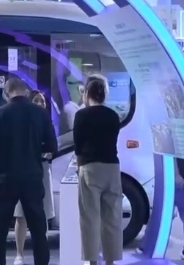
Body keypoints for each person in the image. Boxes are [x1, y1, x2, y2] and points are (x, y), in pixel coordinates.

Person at [0, 77, 57, 265]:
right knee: (38, 229)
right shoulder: (40, 113)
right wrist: (36, 147)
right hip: (32, 177)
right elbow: (52, 145)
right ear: (25, 92)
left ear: (6, 93)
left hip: (5, 178)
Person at [73, 75, 123, 265]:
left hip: (90, 168)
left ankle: (93, 261)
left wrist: (79, 168)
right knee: (112, 218)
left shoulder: (81, 115)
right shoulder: (113, 116)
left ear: (87, 94)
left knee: (90, 218)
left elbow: (78, 146)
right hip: (112, 168)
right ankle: (111, 261)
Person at [11, 91, 56, 265]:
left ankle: (42, 252)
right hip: (24, 170)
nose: (40, 104)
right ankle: (19, 254)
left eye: (42, 101)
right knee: (21, 214)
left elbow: (53, 146)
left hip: (43, 169)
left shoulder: (47, 121)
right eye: (36, 100)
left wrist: (48, 151)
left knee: (42, 214)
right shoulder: (24, 122)